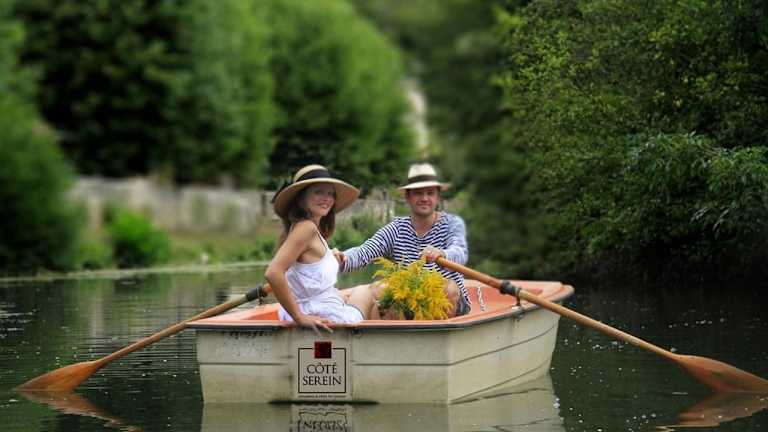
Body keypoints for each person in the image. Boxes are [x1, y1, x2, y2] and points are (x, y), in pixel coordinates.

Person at [336, 162, 471, 317]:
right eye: (418, 193)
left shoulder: (453, 223)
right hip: (410, 301)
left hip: (449, 302)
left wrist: (442, 253)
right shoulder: (396, 229)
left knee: (449, 288)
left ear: (438, 196)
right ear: (408, 196)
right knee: (374, 289)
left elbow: (460, 252)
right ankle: (357, 323)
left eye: (430, 193)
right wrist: (341, 258)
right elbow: (364, 251)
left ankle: (441, 330)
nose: (424, 198)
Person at [264, 164, 377, 333]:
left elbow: (307, 269)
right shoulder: (306, 228)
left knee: (354, 294)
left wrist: (330, 257)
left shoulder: (301, 229)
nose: (327, 198)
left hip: (316, 308)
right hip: (320, 314)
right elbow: (273, 273)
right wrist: (300, 317)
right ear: (300, 198)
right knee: (366, 291)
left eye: (330, 193)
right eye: (319, 192)